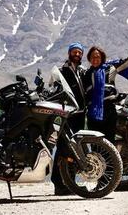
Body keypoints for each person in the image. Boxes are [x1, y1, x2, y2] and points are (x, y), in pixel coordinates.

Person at [83, 32, 128, 143]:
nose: (95, 59)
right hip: (92, 114)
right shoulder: (86, 74)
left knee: (108, 143)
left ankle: (110, 160)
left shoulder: (110, 69)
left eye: (98, 57)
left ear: (102, 58)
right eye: (92, 57)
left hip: (109, 112)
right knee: (94, 143)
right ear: (89, 59)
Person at [51, 42, 87, 196]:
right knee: (62, 149)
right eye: (74, 51)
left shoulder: (82, 71)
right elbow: (53, 91)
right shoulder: (61, 71)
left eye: (79, 52)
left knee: (74, 149)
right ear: (69, 53)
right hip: (66, 116)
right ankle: (58, 184)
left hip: (80, 115)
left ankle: (70, 183)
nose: (77, 54)